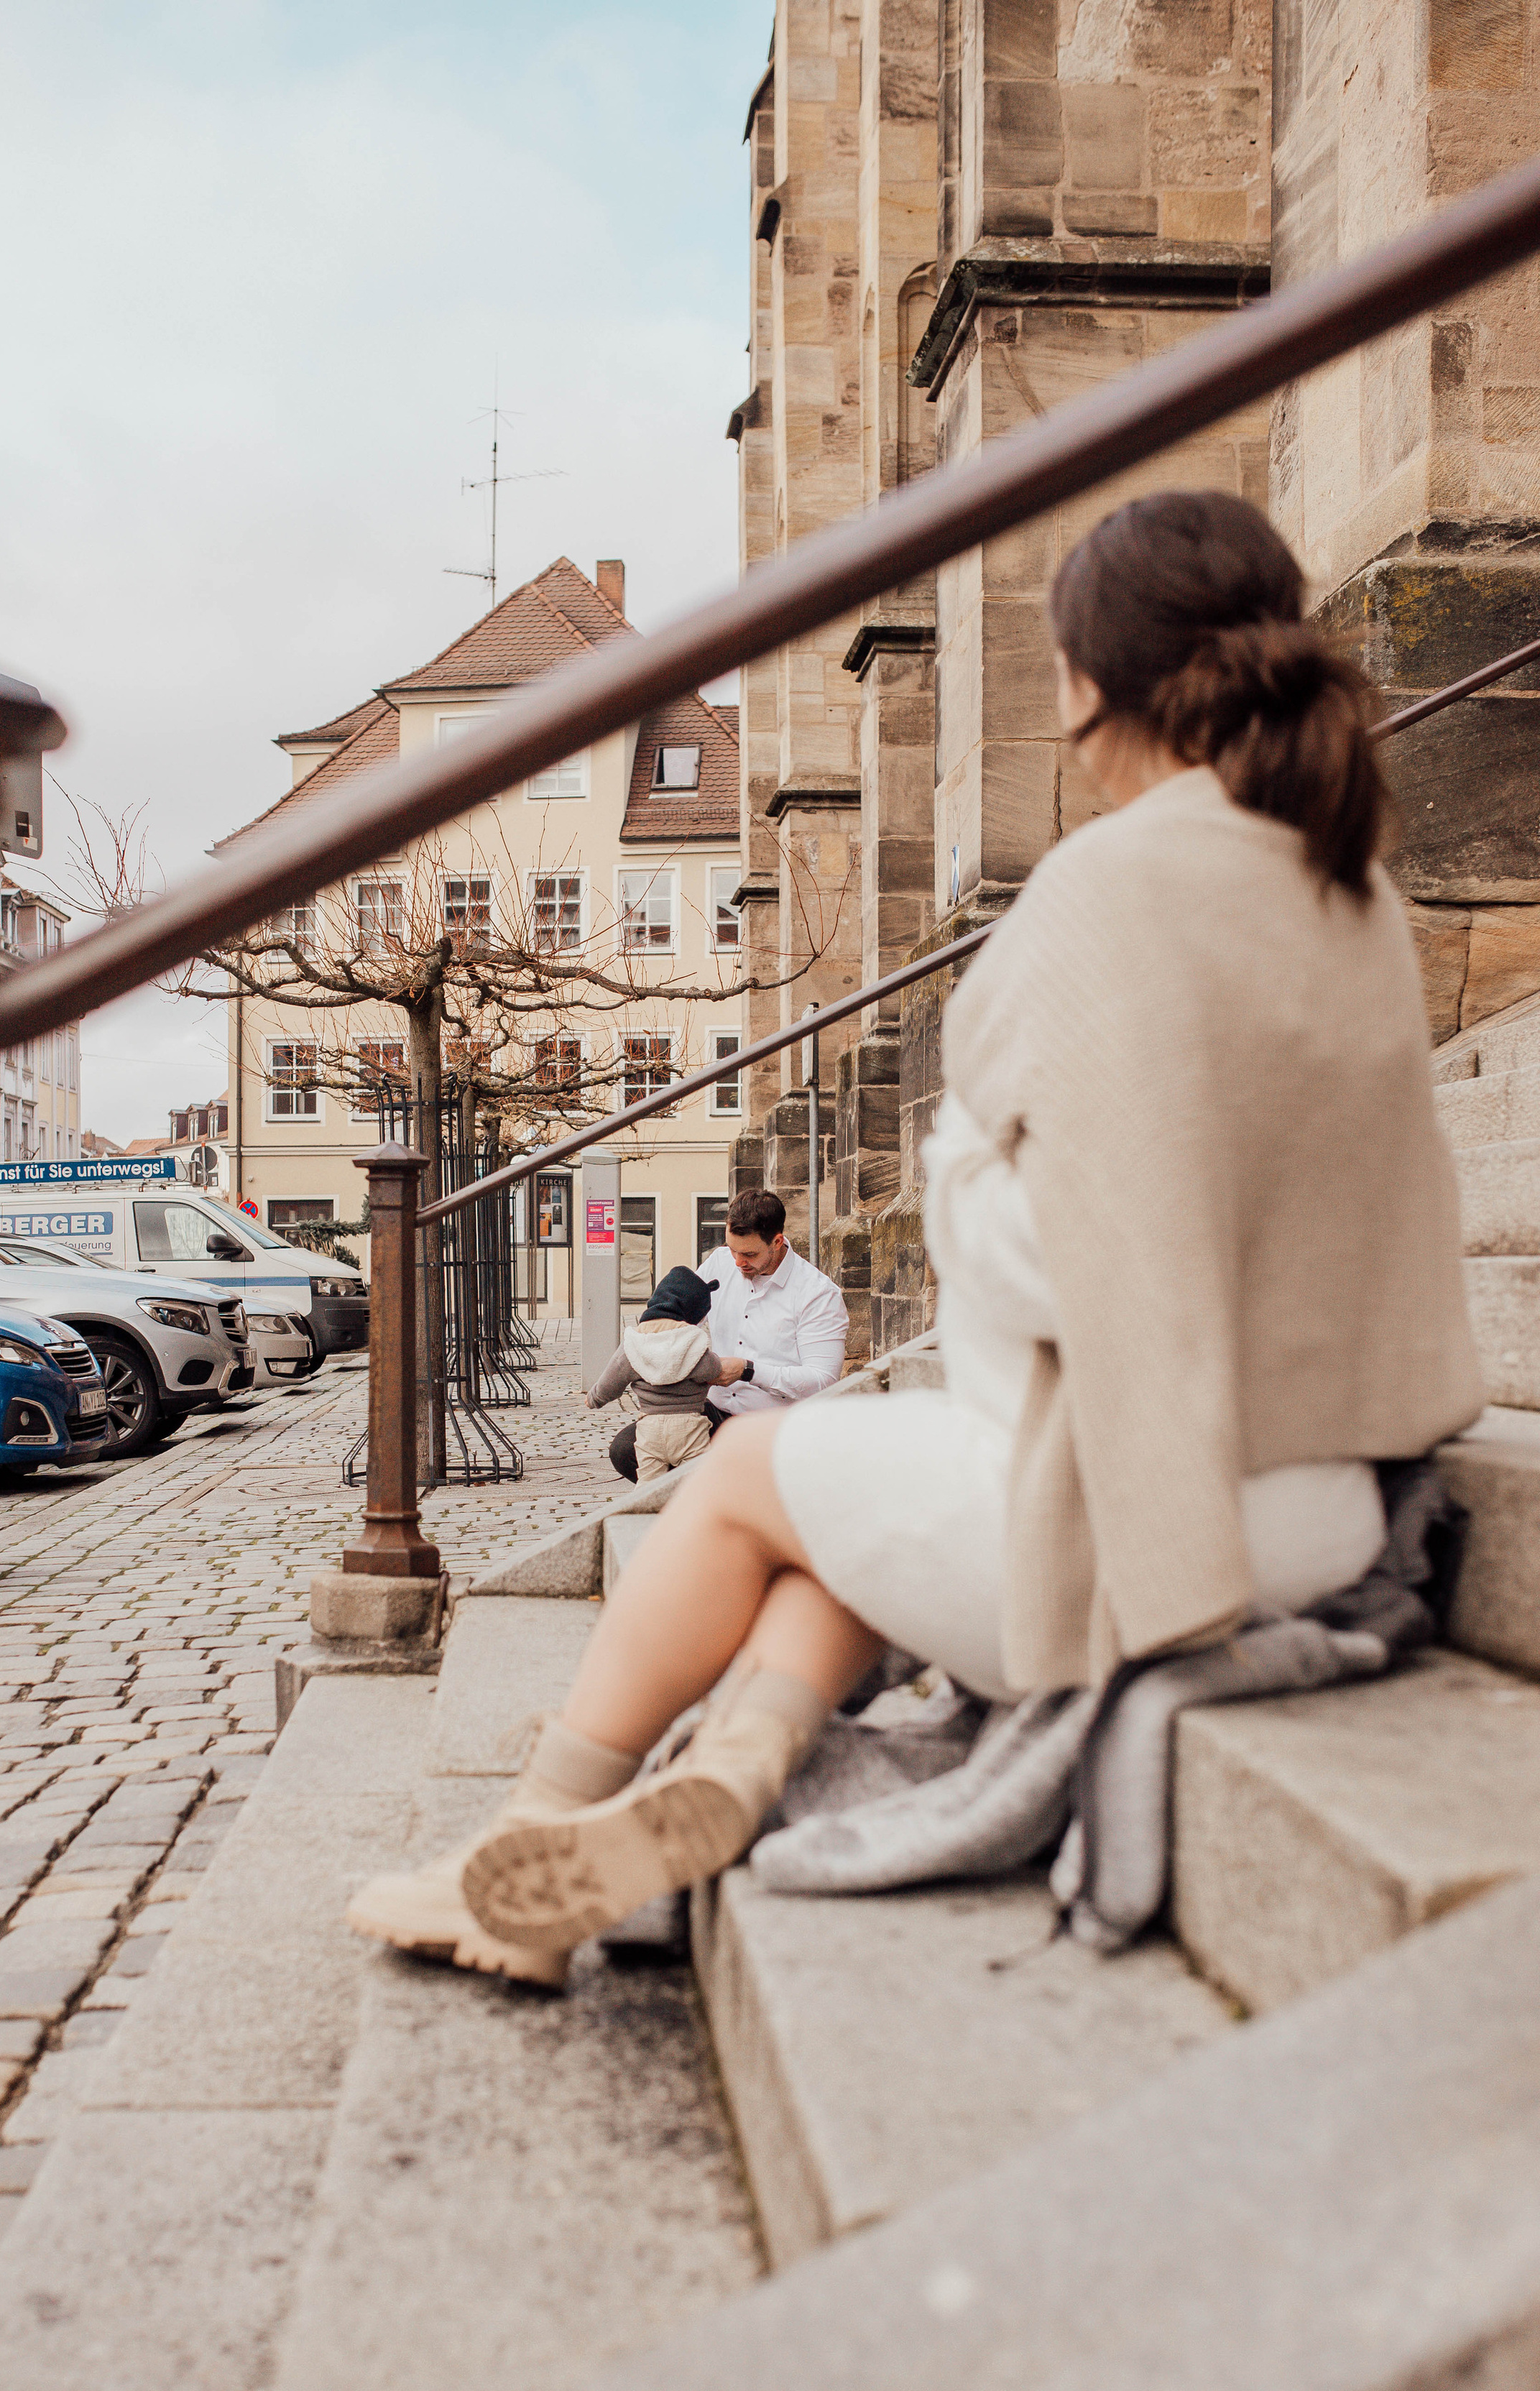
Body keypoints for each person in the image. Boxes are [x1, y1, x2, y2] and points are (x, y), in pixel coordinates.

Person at [349, 487, 1483, 1990]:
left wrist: (956, 1172)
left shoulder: (1106, 890)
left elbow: (1068, 1260)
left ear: (1084, 680)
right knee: (835, 1511)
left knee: (745, 1475)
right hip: (1332, 1508)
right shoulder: (1351, 889)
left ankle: (521, 1848)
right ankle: (737, 1768)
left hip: (1170, 1536)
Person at [604, 1188, 848, 1480]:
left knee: (731, 1473)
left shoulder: (818, 1294)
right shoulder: (720, 1263)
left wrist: (748, 1371)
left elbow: (822, 1382)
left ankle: (722, 1494)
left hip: (774, 1425)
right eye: (732, 1249)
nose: (737, 1262)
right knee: (626, 1449)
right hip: (712, 1413)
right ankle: (711, 1495)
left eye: (749, 1254)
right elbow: (673, 1321)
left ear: (777, 1242)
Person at [586, 1266, 724, 1483]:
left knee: (649, 1485)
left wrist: (594, 1398)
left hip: (650, 1429)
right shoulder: (692, 1343)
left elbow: (611, 1381)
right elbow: (713, 1369)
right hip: (689, 1427)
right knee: (695, 1484)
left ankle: (650, 1504)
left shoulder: (634, 1342)